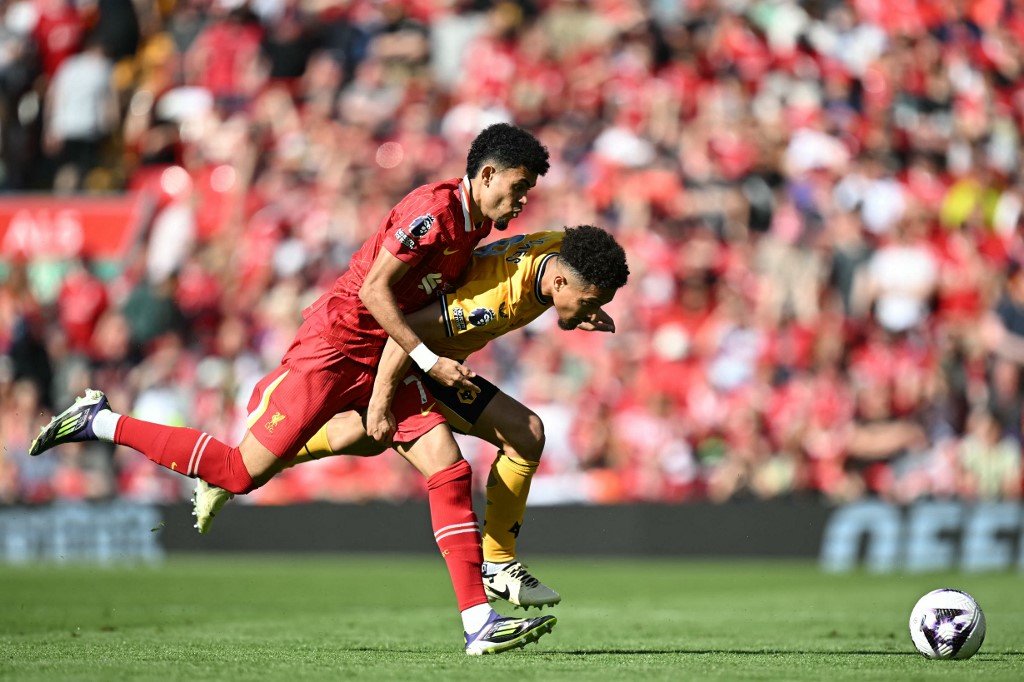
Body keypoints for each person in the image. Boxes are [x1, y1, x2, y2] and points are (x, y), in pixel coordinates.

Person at [30, 123, 555, 656]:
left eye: (528, 190)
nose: (522, 198)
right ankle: (99, 419)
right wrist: (426, 360)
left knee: (449, 466)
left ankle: (477, 623)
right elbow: (374, 291)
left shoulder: (473, 227)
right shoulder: (434, 213)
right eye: (518, 186)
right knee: (238, 472)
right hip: (332, 350)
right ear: (486, 175)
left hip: (382, 361)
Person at [195, 225, 631, 610]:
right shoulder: (493, 301)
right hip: (415, 359)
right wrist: (383, 398)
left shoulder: (561, 248)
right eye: (591, 299)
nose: (593, 308)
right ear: (559, 280)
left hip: (430, 358)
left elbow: (576, 273)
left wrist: (581, 309)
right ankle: (496, 564)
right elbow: (410, 331)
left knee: (364, 438)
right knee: (524, 432)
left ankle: (251, 461)